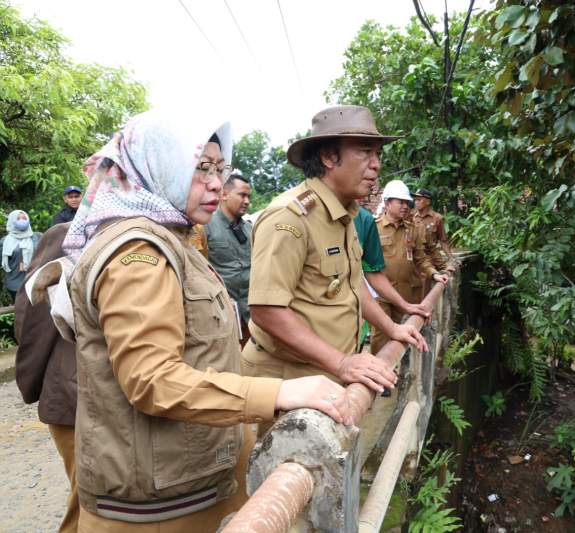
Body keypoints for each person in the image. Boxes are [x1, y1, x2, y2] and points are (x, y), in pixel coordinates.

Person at [57, 110, 352, 532]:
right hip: (161, 511)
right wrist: (280, 391)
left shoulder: (170, 238)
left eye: (219, 168)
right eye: (200, 168)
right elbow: (153, 380)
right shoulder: (138, 254)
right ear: (158, 167)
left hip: (186, 487)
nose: (216, 182)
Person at [243, 105, 428, 406]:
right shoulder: (289, 218)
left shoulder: (345, 215)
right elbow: (266, 310)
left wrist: (393, 328)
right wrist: (342, 363)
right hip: (287, 382)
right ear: (329, 157)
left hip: (326, 374)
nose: (376, 165)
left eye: (378, 154)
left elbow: (354, 286)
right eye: (366, 152)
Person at [14, 222, 78, 533]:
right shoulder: (70, 233)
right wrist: (33, 380)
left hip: (107, 398)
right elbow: (32, 312)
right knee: (88, 503)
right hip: (72, 393)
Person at [371, 181, 449, 354]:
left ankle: (400, 377)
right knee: (380, 336)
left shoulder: (411, 229)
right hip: (381, 295)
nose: (405, 206)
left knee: (406, 333)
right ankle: (377, 375)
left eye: (407, 203)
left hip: (406, 295)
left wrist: (434, 274)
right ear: (387, 202)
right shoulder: (373, 228)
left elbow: (421, 258)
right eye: (400, 202)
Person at [205, 172, 252, 345]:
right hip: (221, 314)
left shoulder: (250, 230)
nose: (247, 201)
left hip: (251, 314)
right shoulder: (205, 227)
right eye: (242, 195)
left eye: (249, 196)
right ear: (224, 194)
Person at [411, 187, 455, 302]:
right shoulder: (411, 216)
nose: (416, 202)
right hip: (414, 256)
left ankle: (423, 309)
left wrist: (451, 258)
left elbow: (443, 240)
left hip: (429, 256)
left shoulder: (437, 218)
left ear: (428, 201)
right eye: (415, 199)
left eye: (419, 199)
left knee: (425, 279)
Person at [2, 210, 39, 300]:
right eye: (18, 219)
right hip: (15, 284)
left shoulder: (37, 237)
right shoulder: (5, 241)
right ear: (11, 221)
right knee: (21, 311)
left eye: (24, 218)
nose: (22, 221)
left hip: (35, 282)